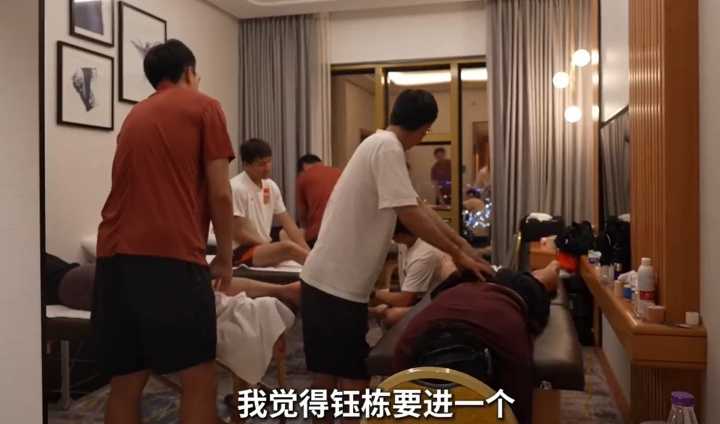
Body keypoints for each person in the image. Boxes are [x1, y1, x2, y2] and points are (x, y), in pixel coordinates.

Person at [299, 88, 495, 424]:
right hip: (335, 288)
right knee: (352, 379)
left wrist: (462, 247)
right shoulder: (387, 148)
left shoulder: (379, 145)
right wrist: (457, 252)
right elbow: (410, 213)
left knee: (328, 376)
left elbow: (419, 207)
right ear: (425, 128)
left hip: (326, 283)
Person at [91, 39, 236, 424]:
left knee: (126, 382)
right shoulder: (204, 106)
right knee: (199, 378)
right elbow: (221, 193)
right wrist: (224, 257)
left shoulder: (134, 115)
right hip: (169, 258)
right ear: (189, 72)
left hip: (113, 260)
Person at [393, 260, 561, 424]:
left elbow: (516, 417)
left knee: (545, 279)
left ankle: (554, 263)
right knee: (449, 271)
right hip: (458, 288)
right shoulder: (407, 348)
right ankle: (451, 258)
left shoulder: (507, 351)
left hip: (510, 289)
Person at [230, 138, 310, 267]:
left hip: (261, 247)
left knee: (294, 243)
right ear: (246, 165)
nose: (267, 168)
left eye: (269, 161)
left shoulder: (271, 186)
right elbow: (238, 234)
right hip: (239, 251)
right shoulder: (237, 187)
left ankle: (316, 264)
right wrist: (267, 245)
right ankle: (321, 270)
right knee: (287, 247)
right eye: (261, 164)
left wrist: (308, 251)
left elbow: (288, 223)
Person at [368, 220, 445, 328]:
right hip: (415, 295)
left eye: (393, 236)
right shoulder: (408, 239)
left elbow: (404, 301)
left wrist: (372, 293)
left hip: (431, 302)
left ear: (402, 235)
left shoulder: (423, 256)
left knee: (391, 316)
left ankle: (378, 315)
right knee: (368, 299)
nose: (391, 238)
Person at [295, 154, 342, 248]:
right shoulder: (340, 173)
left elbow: (302, 213)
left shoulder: (303, 177)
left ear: (305, 166)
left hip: (318, 235)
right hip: (344, 233)